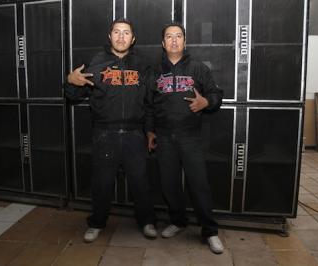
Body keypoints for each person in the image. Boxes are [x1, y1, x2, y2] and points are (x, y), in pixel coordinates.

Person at [64, 18, 157, 242]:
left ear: (133, 39)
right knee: (102, 182)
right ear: (110, 36)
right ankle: (97, 222)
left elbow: (150, 103)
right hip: (105, 134)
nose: (121, 36)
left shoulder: (143, 65)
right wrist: (71, 81)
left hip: (135, 134)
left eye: (126, 33)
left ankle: (147, 221)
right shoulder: (95, 62)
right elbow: (73, 96)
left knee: (140, 182)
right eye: (117, 32)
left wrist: (150, 131)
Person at [145, 22, 224, 254]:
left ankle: (210, 231)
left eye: (178, 36)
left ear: (185, 41)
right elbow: (148, 105)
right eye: (169, 37)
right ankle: (178, 221)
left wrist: (206, 102)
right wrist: (150, 131)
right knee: (169, 184)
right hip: (164, 138)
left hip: (190, 137)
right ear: (163, 43)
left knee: (199, 185)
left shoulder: (199, 68)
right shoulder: (154, 71)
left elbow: (216, 93)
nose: (174, 40)